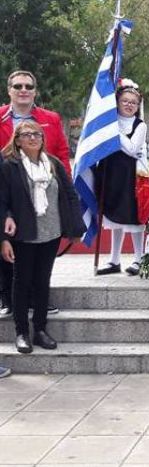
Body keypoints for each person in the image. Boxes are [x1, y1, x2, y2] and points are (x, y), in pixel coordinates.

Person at [0, 121, 85, 353]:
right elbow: (2, 200)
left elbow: (70, 195)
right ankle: (21, 333)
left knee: (42, 281)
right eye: (27, 135)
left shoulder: (54, 164)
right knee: (22, 282)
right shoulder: (9, 166)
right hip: (23, 235)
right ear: (17, 140)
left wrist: (76, 228)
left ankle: (39, 329)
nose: (33, 138)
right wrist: (4, 238)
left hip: (51, 233)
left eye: (37, 134)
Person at [0, 70, 71, 317]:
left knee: (40, 249)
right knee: (8, 248)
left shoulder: (50, 119)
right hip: (8, 194)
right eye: (17, 86)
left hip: (43, 196)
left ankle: (38, 299)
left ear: (34, 91)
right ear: (9, 90)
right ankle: (7, 298)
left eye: (28, 86)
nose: (23, 90)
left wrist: (65, 188)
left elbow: (61, 154)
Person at [94, 81, 149, 276]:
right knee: (113, 216)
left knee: (134, 218)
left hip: (132, 176)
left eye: (133, 102)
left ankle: (138, 259)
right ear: (117, 102)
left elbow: (132, 149)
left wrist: (114, 130)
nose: (128, 105)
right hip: (111, 174)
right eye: (125, 101)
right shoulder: (107, 122)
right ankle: (114, 260)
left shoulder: (140, 126)